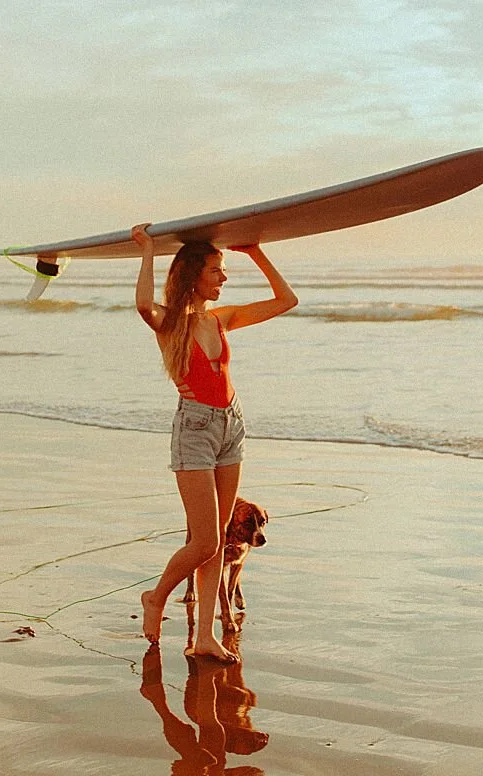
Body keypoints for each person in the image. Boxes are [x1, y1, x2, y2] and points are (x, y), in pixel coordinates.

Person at [132, 224, 297, 663]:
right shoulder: (171, 322)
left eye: (224, 269)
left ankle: (204, 636)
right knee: (205, 541)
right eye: (216, 270)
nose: (223, 278)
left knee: (219, 539)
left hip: (232, 426)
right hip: (195, 431)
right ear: (192, 275)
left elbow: (287, 301)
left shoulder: (219, 319)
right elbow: (144, 305)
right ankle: (157, 596)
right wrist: (148, 250)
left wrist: (256, 252)